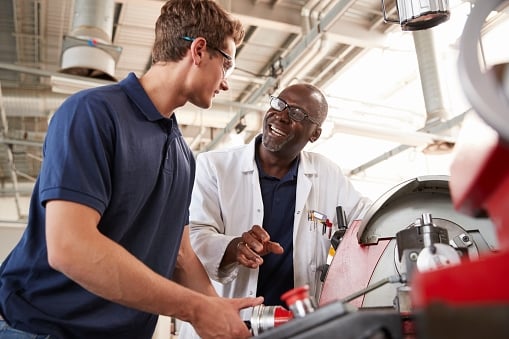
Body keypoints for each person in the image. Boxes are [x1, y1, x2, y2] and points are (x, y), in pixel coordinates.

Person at [0, 1, 263, 338]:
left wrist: (216, 306)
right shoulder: (93, 114)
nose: (226, 82)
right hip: (39, 328)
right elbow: (70, 247)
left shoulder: (184, 155)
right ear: (198, 50)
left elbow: (180, 254)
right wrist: (194, 308)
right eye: (227, 64)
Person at [179, 83, 371, 337]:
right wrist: (234, 247)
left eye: (298, 114)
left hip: (293, 327)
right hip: (227, 323)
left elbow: (367, 220)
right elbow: (193, 239)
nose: (281, 115)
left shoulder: (327, 175)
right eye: (279, 104)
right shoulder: (215, 166)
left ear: (314, 134)